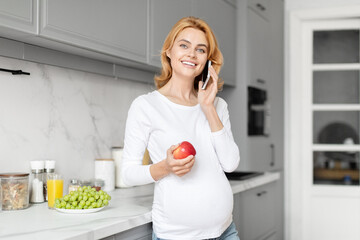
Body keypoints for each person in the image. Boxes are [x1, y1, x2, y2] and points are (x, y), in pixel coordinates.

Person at [121, 16, 240, 240]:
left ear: (208, 61)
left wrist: (208, 108)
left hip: (226, 231)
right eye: (184, 45)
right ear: (168, 51)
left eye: (201, 50)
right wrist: (165, 167)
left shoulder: (217, 105)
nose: (192, 54)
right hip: (176, 236)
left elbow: (231, 163)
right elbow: (128, 174)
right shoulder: (146, 106)